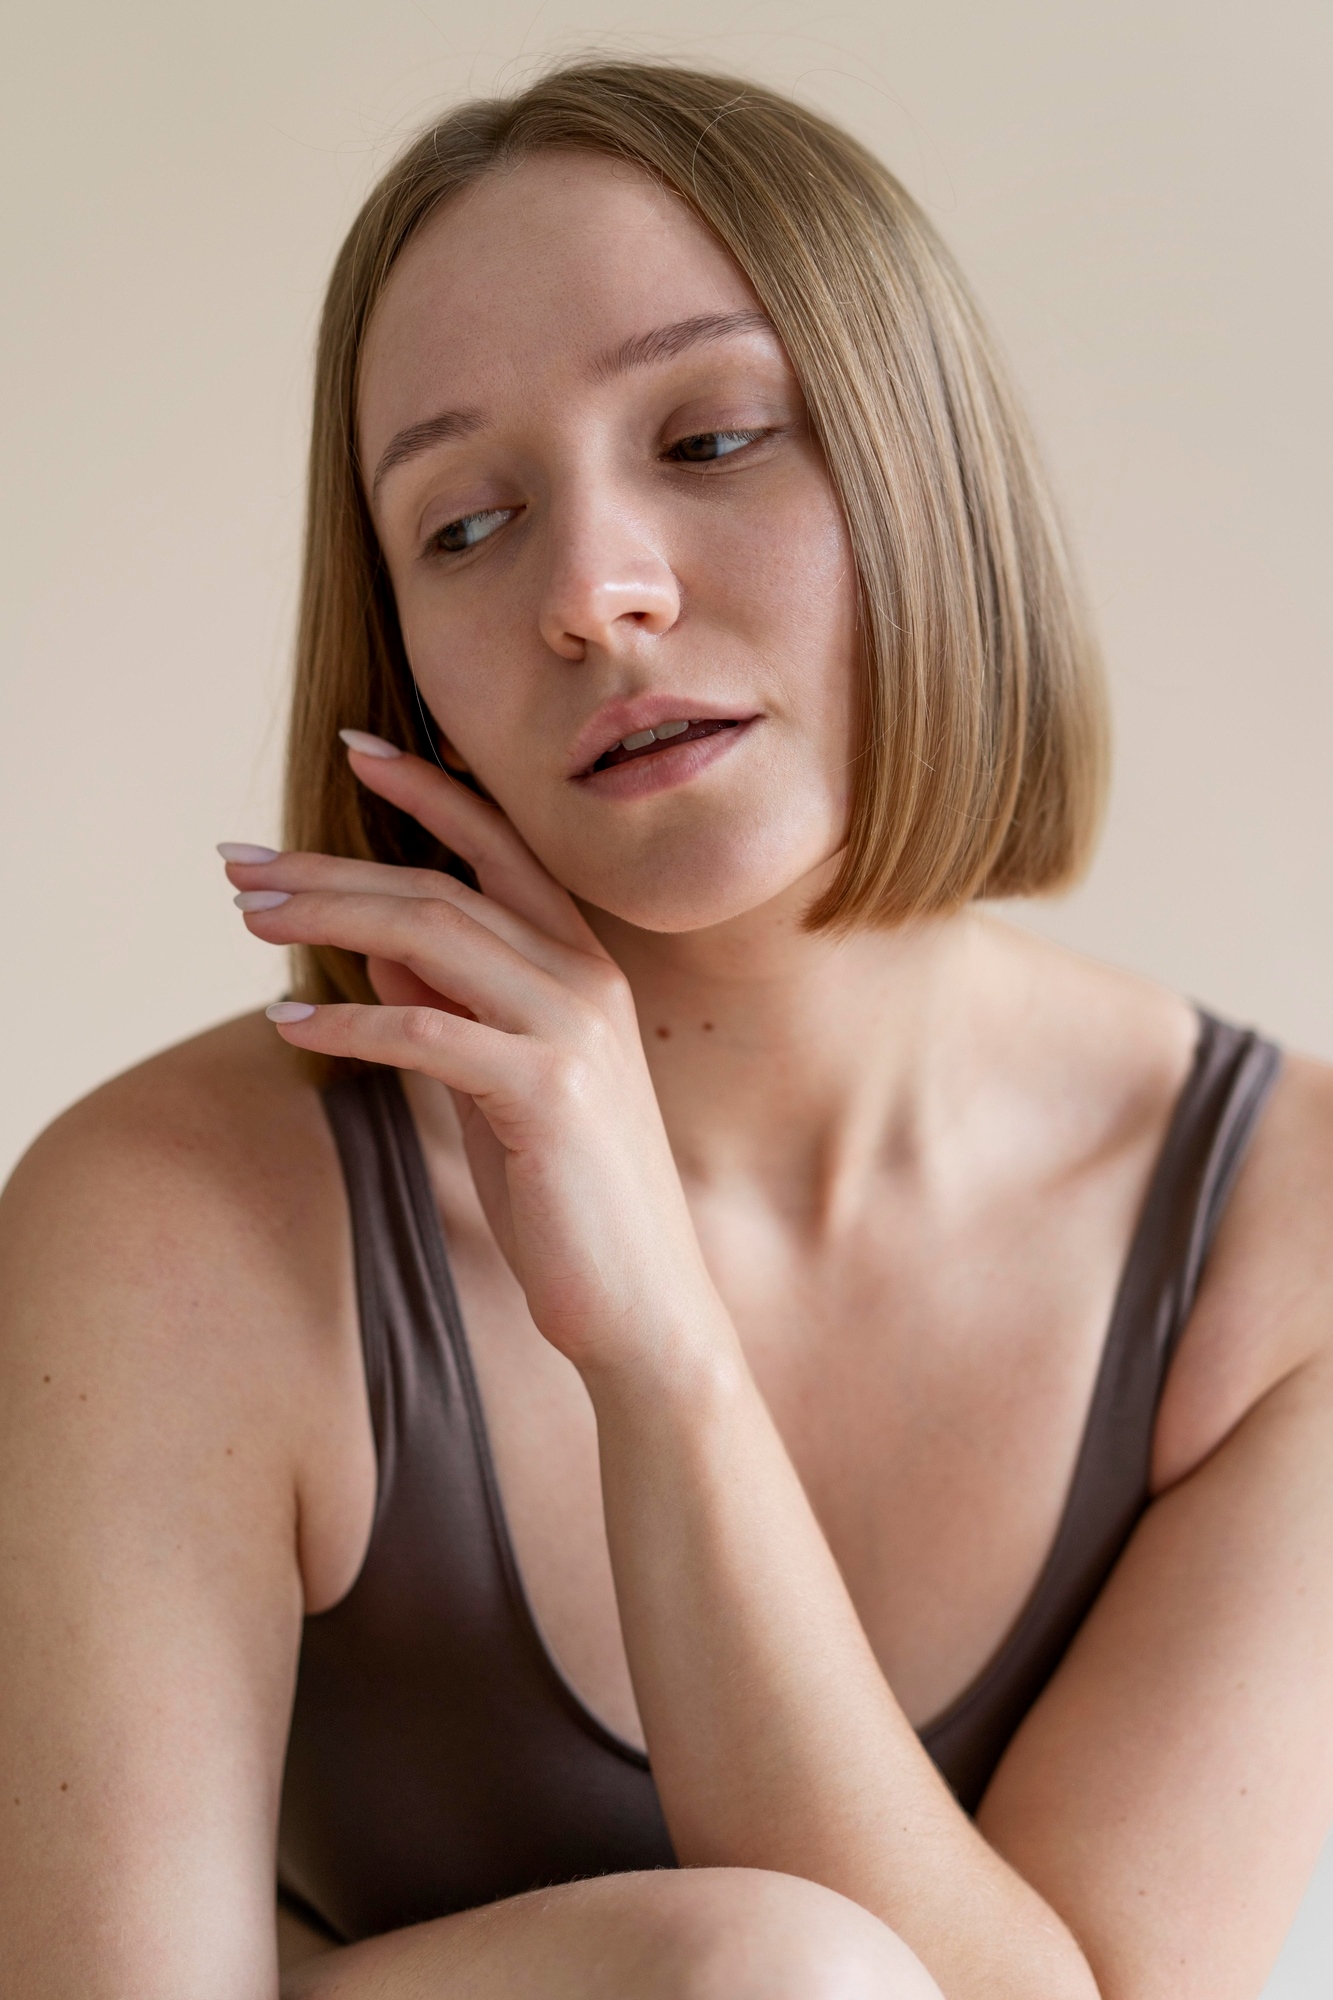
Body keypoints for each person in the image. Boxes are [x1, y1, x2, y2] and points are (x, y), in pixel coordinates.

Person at [2, 58, 1330, 2000]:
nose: (595, 596)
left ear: (922, 472)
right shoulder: (170, 1217)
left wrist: (662, 1357)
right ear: (405, 670)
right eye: (464, 526)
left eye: (708, 437)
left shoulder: (1278, 1229)